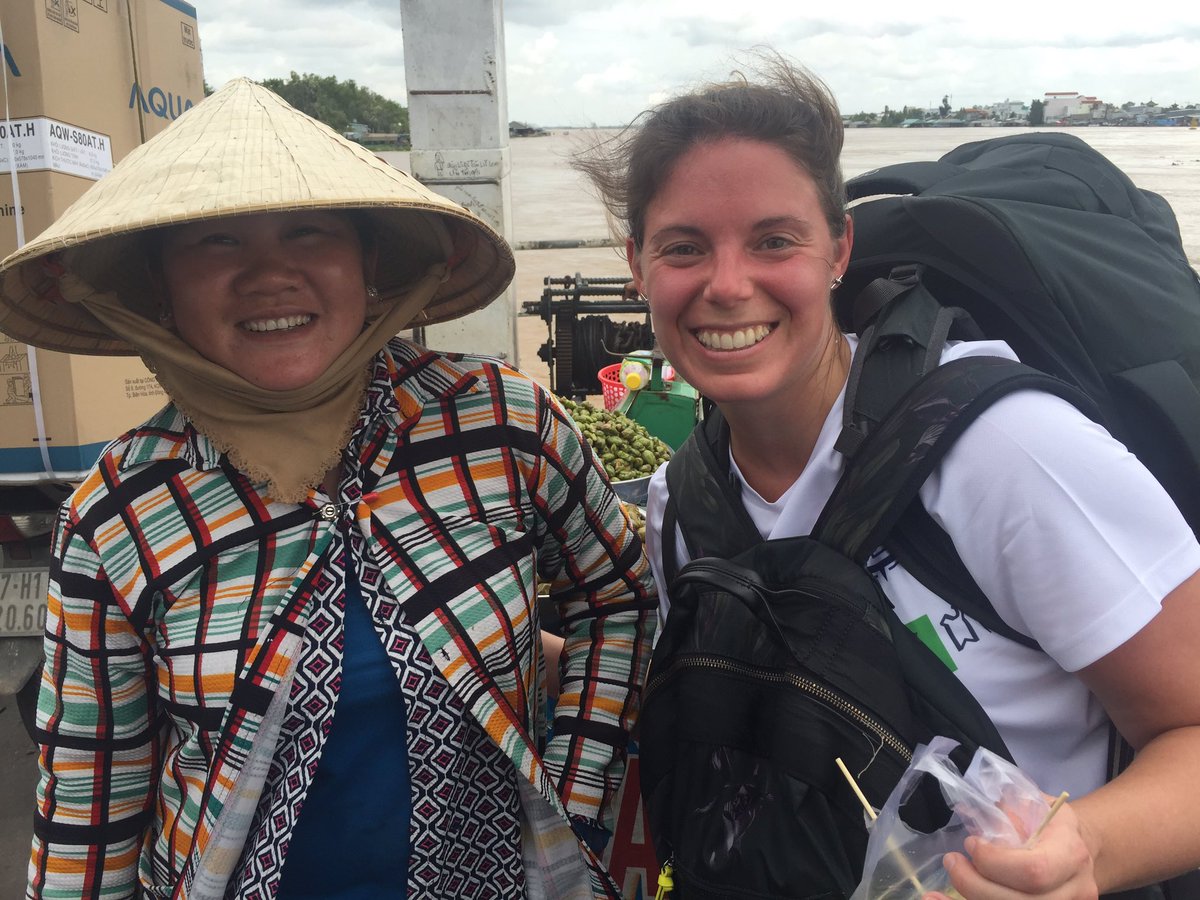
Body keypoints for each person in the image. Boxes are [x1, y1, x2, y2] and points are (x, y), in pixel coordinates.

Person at [1, 78, 656, 900]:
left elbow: (617, 598)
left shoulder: (500, 421)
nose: (270, 275)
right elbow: (90, 799)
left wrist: (577, 796)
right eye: (216, 242)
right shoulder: (120, 510)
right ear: (159, 287)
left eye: (307, 232)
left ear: (369, 263)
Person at [573, 53, 1200, 898]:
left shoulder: (1003, 451)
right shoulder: (681, 506)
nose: (728, 285)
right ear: (637, 265)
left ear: (839, 248)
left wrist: (1083, 851)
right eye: (684, 248)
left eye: (774, 241)